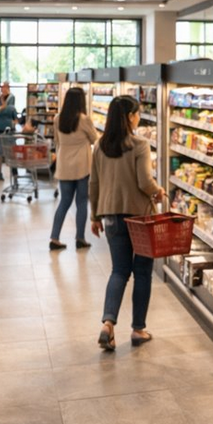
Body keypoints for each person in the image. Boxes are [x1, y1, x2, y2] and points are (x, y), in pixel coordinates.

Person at [89, 95, 165, 351]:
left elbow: (94, 183)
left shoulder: (100, 146)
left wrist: (94, 216)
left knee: (119, 271)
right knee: (142, 272)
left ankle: (107, 324)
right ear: (130, 116)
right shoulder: (139, 144)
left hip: (110, 215)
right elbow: (144, 181)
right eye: (137, 113)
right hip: (140, 217)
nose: (139, 117)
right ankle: (138, 329)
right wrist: (158, 191)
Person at [50, 87, 98, 250]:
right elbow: (94, 139)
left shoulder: (58, 118)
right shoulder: (84, 119)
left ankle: (54, 237)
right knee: (81, 202)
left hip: (64, 165)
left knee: (64, 201)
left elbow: (57, 140)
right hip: (81, 166)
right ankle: (80, 238)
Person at [0, 81, 17, 181]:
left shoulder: (11, 98)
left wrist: (0, 110)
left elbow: (11, 111)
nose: (3, 89)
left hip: (8, 129)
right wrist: (1, 108)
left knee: (11, 150)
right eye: (2, 87)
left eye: (6, 87)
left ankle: (14, 173)